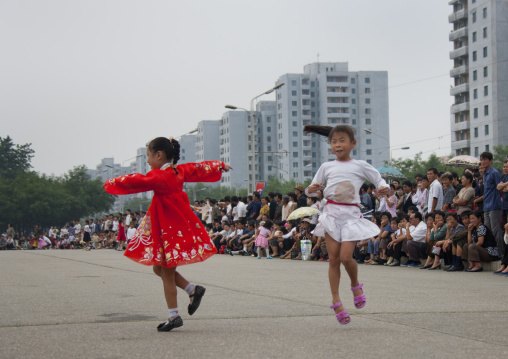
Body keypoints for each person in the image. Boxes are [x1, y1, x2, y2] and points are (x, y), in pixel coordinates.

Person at [104, 136, 231, 332]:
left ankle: (174, 315)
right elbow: (198, 168)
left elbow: (135, 181)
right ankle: (192, 290)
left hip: (168, 229)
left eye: (148, 156)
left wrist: (112, 183)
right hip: (173, 226)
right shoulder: (178, 171)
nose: (147, 160)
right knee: (159, 269)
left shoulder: (160, 176)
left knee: (166, 273)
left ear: (159, 155)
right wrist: (219, 165)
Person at [304, 125, 389, 325]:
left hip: (351, 214)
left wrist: (384, 188)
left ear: (352, 143)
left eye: (342, 140)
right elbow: (310, 190)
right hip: (331, 214)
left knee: (346, 257)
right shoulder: (326, 166)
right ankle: (336, 302)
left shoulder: (360, 165)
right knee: (333, 259)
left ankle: (355, 284)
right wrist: (312, 188)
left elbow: (379, 180)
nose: (338, 144)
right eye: (334, 141)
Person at [480, 152, 504, 255]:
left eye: (486, 159)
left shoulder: (494, 172)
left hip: (494, 206)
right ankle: (493, 252)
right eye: (482, 159)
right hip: (486, 207)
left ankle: (502, 254)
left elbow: (500, 188)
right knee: (488, 231)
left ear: (490, 161)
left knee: (496, 231)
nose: (483, 161)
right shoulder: (484, 173)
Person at [497, 159, 508, 225]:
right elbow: (498, 187)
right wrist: (505, 184)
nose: (505, 168)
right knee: (504, 225)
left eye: (507, 167)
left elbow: (507, 189)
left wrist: (503, 185)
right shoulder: (505, 176)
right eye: (504, 167)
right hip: (504, 205)